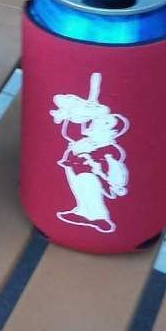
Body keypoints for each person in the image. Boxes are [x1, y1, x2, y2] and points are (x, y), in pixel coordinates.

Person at [50, 72, 129, 234]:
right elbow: (70, 134)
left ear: (113, 133)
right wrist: (77, 115)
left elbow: (113, 164)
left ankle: (99, 217)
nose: (99, 121)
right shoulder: (86, 138)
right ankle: (81, 213)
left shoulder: (108, 148)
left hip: (91, 174)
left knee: (90, 191)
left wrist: (112, 178)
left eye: (106, 122)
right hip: (73, 168)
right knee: (79, 191)